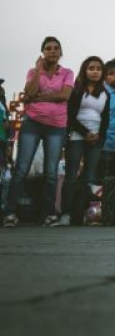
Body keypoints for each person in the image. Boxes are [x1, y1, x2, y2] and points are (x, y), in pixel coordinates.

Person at [4, 37, 74, 228]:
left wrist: (37, 98)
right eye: (48, 48)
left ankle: (48, 214)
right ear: (43, 52)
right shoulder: (33, 72)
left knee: (51, 171)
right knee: (21, 169)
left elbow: (64, 95)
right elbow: (30, 92)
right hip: (32, 122)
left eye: (56, 48)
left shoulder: (67, 73)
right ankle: (10, 213)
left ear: (60, 52)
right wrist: (37, 71)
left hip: (56, 125)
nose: (52, 51)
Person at [62, 56, 111, 225]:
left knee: (90, 176)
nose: (95, 72)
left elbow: (105, 118)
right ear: (85, 70)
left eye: (98, 69)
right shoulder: (76, 90)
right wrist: (85, 132)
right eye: (91, 68)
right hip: (77, 136)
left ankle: (86, 213)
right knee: (71, 175)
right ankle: (66, 213)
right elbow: (70, 116)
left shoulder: (105, 93)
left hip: (96, 138)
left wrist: (99, 136)